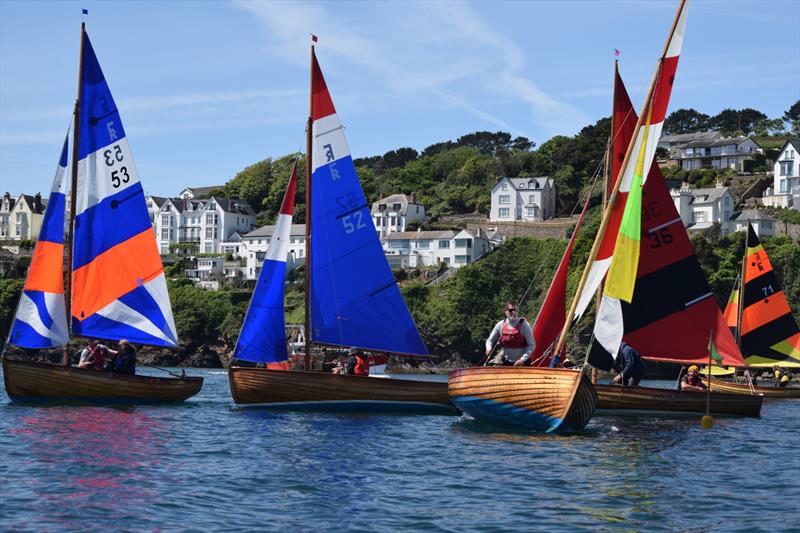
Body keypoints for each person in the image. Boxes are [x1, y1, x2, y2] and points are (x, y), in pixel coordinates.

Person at [485, 301, 535, 366]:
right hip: (506, 362)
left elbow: (532, 345)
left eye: (515, 310)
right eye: (511, 310)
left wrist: (522, 359)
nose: (514, 312)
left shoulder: (524, 324)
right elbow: (490, 340)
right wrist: (488, 348)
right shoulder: (500, 325)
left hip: (523, 363)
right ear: (505, 311)